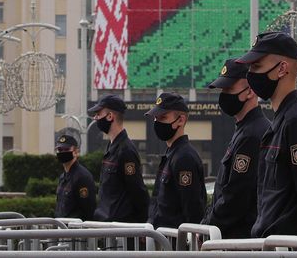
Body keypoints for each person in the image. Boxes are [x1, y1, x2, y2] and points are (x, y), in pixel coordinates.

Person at [237, 30, 297, 237]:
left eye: (257, 66)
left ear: (282, 68)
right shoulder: (282, 120)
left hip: (290, 246)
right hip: (275, 244)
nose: (251, 74)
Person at [202, 58, 271, 238]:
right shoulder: (244, 130)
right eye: (223, 90)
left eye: (229, 89)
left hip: (240, 238)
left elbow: (236, 196)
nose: (224, 95)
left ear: (250, 91)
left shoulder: (252, 134)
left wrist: (208, 228)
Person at [145, 92, 206, 229]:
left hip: (175, 239)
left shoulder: (184, 158)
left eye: (163, 117)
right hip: (162, 237)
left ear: (180, 120)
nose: (157, 122)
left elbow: (192, 209)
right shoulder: (171, 154)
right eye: (156, 118)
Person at [89, 94, 150, 222]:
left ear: (110, 116)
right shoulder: (112, 147)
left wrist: (140, 225)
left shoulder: (126, 150)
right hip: (107, 224)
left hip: (119, 226)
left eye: (98, 114)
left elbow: (137, 191)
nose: (95, 118)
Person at [54, 133, 97, 220]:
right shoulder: (63, 177)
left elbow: (88, 210)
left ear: (76, 152)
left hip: (75, 227)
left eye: (66, 149)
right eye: (59, 149)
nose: (62, 152)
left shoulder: (82, 177)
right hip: (62, 226)